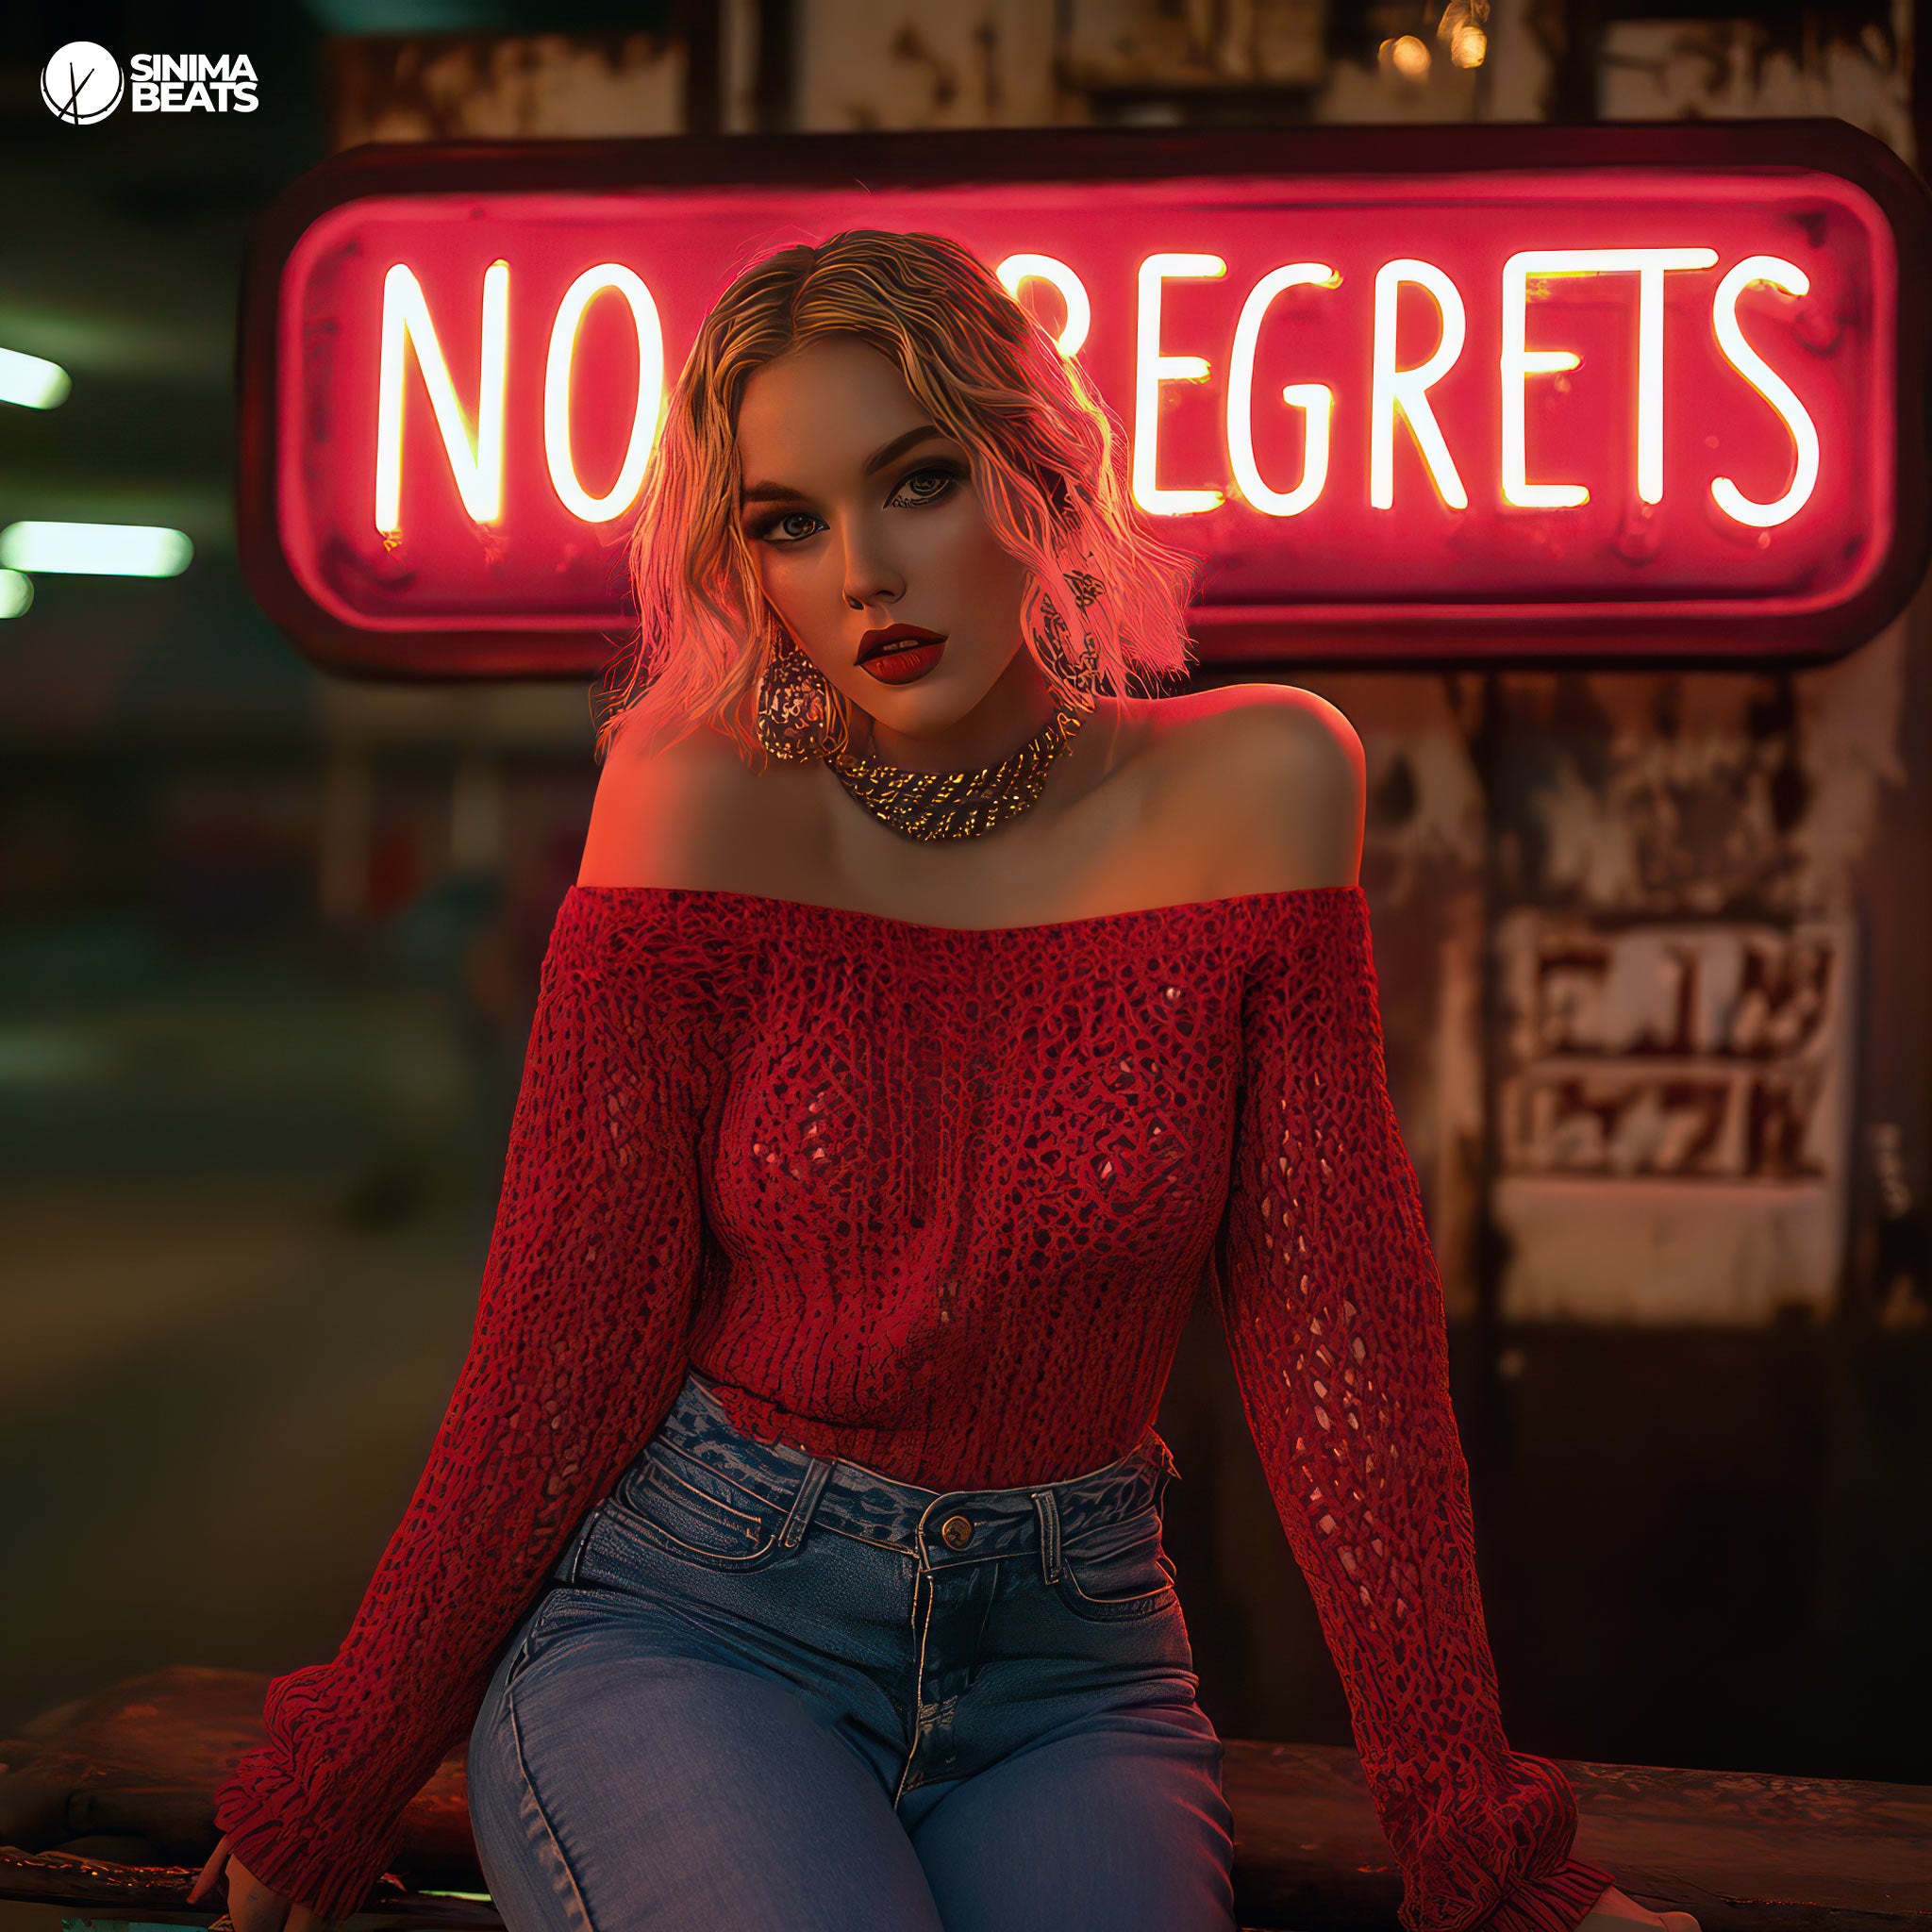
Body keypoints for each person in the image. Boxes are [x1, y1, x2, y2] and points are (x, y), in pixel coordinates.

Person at [192, 230, 1702, 1932]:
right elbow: (565, 1331)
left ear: (1037, 477)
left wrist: (1481, 1851)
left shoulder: (1267, 782)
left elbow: (1335, 1336)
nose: (862, 574)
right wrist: (349, 1756)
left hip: (1074, 1662)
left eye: (915, 481)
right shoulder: (695, 800)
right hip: (694, 1619)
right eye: (788, 520)